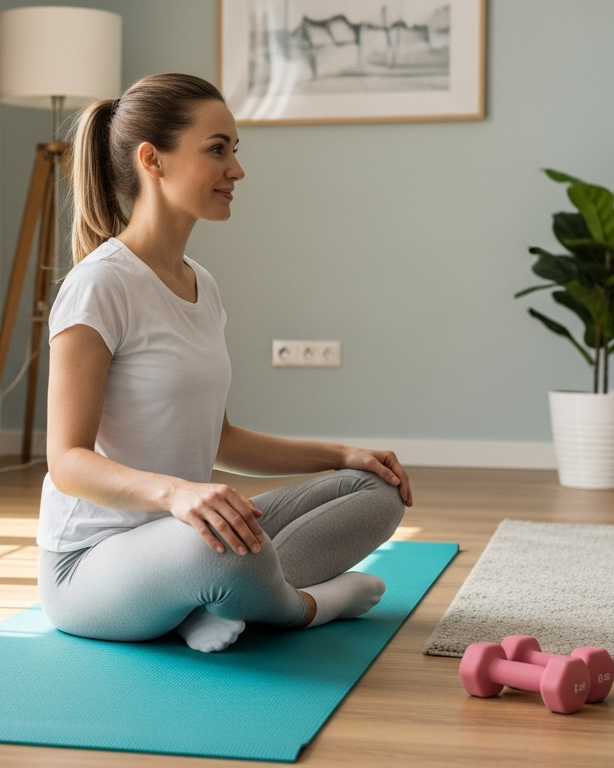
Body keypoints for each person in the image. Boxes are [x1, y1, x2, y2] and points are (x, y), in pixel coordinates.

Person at [39, 73, 413, 653]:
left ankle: (211, 601)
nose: (236, 170)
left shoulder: (200, 285)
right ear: (152, 160)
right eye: (217, 150)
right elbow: (67, 463)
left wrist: (344, 454)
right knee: (211, 551)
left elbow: (221, 438)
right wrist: (176, 496)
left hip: (186, 533)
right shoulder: (99, 286)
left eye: (235, 151)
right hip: (91, 566)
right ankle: (307, 607)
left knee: (375, 491)